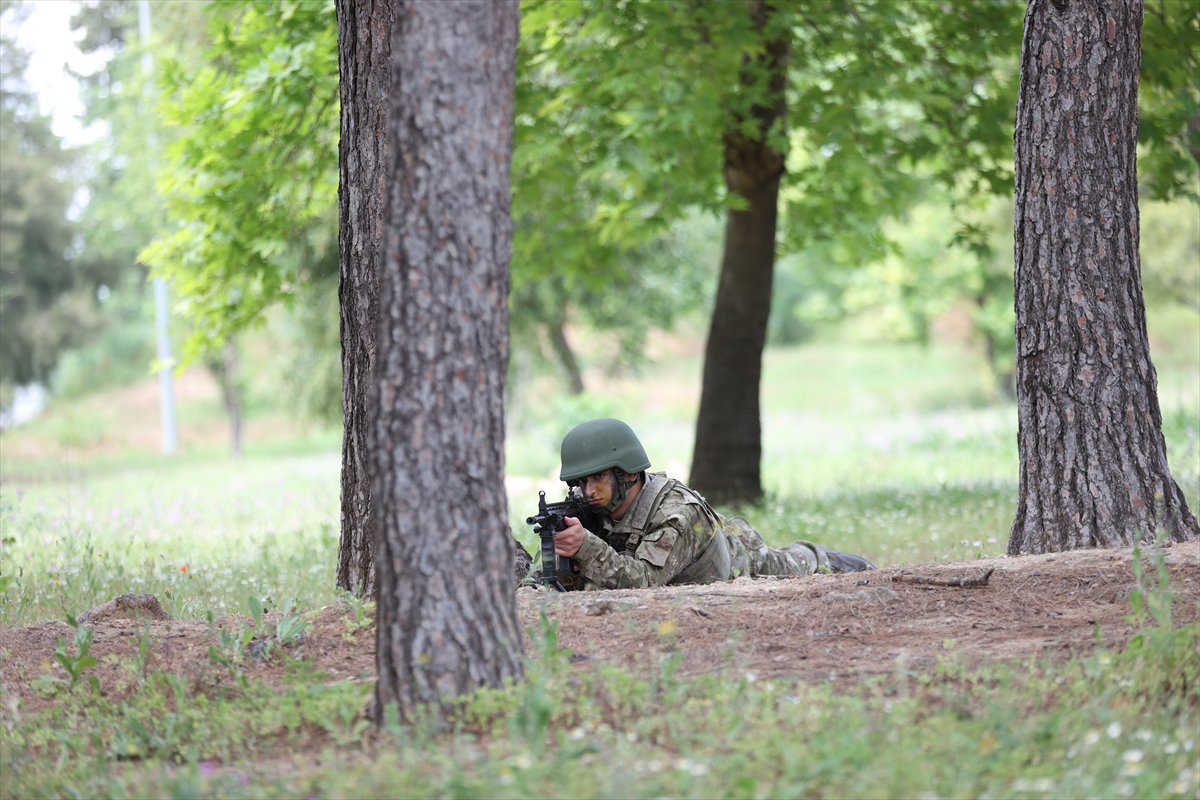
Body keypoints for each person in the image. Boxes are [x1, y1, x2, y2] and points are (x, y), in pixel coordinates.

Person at [540, 417, 875, 590]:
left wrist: (586, 547)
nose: (587, 491)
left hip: (743, 562)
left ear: (627, 473)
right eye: (581, 482)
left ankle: (831, 559)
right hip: (683, 565)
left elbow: (642, 582)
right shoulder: (596, 509)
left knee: (794, 565)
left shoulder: (676, 514)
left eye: (597, 478)